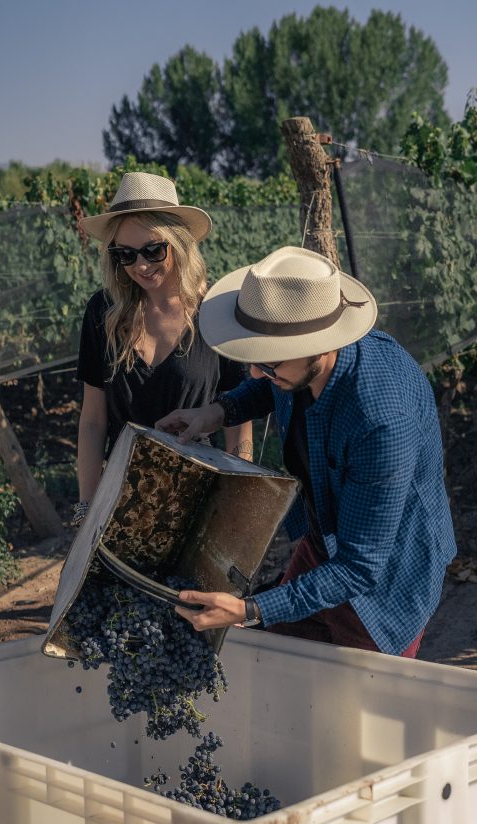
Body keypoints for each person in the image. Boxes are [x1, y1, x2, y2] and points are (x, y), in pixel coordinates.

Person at [156, 245, 456, 657]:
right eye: (254, 359)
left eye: (270, 362)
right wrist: (216, 411)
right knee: (286, 673)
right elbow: (264, 383)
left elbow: (359, 566)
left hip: (386, 584)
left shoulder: (381, 419)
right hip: (323, 544)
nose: (259, 373)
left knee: (353, 709)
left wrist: (250, 609)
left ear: (320, 345)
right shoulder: (294, 365)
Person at [71, 171, 253, 526]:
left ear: (179, 242)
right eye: (125, 254)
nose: (140, 265)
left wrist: (238, 498)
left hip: (199, 494)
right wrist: (85, 508)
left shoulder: (214, 311)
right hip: (122, 497)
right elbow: (93, 420)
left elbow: (237, 416)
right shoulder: (103, 313)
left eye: (153, 250)